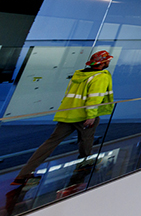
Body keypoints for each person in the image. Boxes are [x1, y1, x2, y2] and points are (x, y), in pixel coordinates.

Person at [9, 50, 115, 189]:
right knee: (86, 142)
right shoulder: (101, 76)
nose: (109, 62)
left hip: (67, 114)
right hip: (84, 116)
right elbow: (94, 97)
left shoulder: (79, 75)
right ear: (102, 63)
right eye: (108, 60)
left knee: (50, 143)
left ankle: (24, 173)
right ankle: (84, 168)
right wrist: (91, 116)